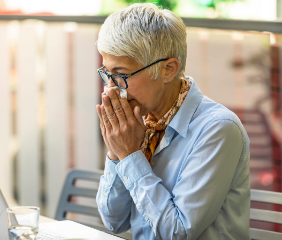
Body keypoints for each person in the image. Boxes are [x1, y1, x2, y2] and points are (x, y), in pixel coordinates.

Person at [95, 3, 250, 240]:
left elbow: (178, 233)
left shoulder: (218, 129)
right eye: (107, 74)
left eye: (121, 75)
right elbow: (114, 221)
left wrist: (129, 156)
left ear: (168, 70)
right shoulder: (139, 123)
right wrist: (117, 152)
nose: (111, 90)